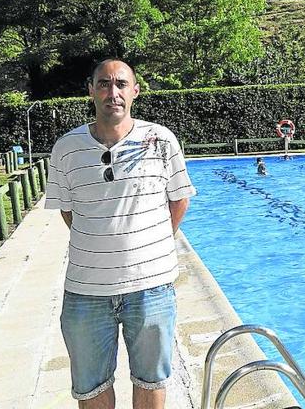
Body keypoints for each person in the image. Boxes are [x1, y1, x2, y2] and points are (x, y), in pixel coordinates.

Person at [45, 59, 196, 408]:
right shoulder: (67, 149)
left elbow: (179, 200)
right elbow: (69, 212)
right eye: (103, 84)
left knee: (151, 380)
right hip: (86, 291)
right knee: (90, 388)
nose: (112, 92)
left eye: (121, 84)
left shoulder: (160, 140)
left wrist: (151, 244)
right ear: (91, 90)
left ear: (135, 91)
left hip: (151, 288)